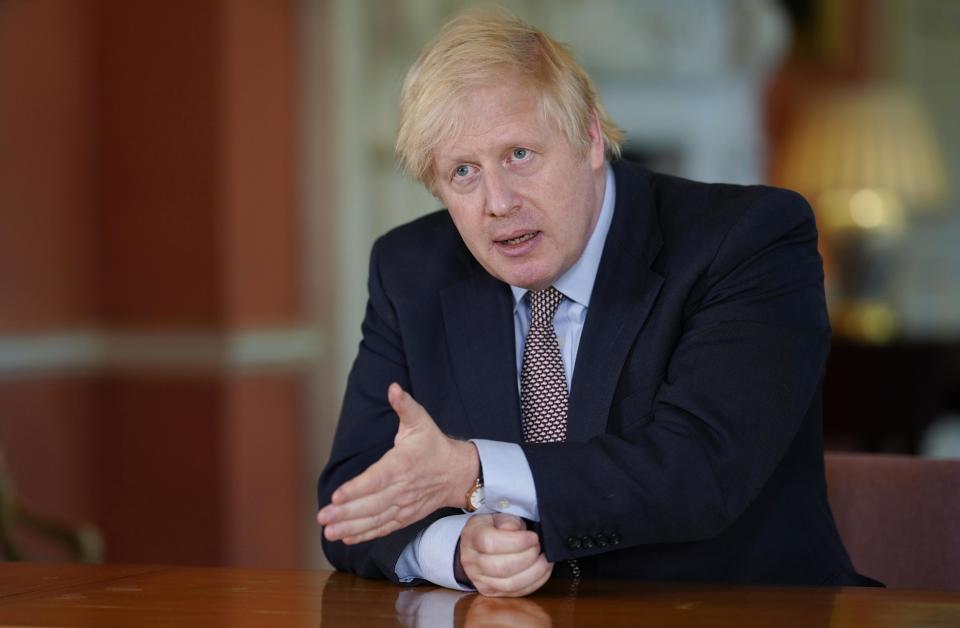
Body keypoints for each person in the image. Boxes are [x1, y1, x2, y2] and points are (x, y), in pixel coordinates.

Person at [317, 6, 875, 597]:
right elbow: (350, 505)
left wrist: (474, 473)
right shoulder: (411, 271)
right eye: (462, 172)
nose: (497, 203)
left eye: (518, 156)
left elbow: (699, 469)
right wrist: (457, 549)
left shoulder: (747, 239)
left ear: (587, 137)